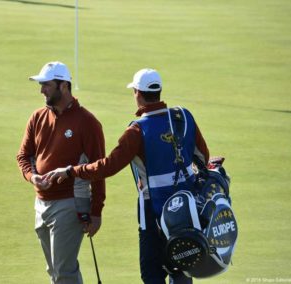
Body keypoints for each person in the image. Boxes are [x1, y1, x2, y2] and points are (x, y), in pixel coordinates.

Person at [43, 68, 210, 284]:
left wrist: (71, 171)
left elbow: (107, 167)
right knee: (182, 266)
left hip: (154, 212)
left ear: (138, 93)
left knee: (152, 273)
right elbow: (203, 157)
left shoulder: (137, 131)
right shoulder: (183, 117)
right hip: (187, 208)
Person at [16, 61, 106, 284]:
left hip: (70, 202)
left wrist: (96, 212)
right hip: (41, 203)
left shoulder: (87, 122)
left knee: (63, 270)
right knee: (54, 270)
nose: (41, 90)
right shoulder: (37, 117)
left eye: (46, 85)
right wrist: (32, 176)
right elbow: (24, 156)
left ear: (63, 86)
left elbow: (98, 169)